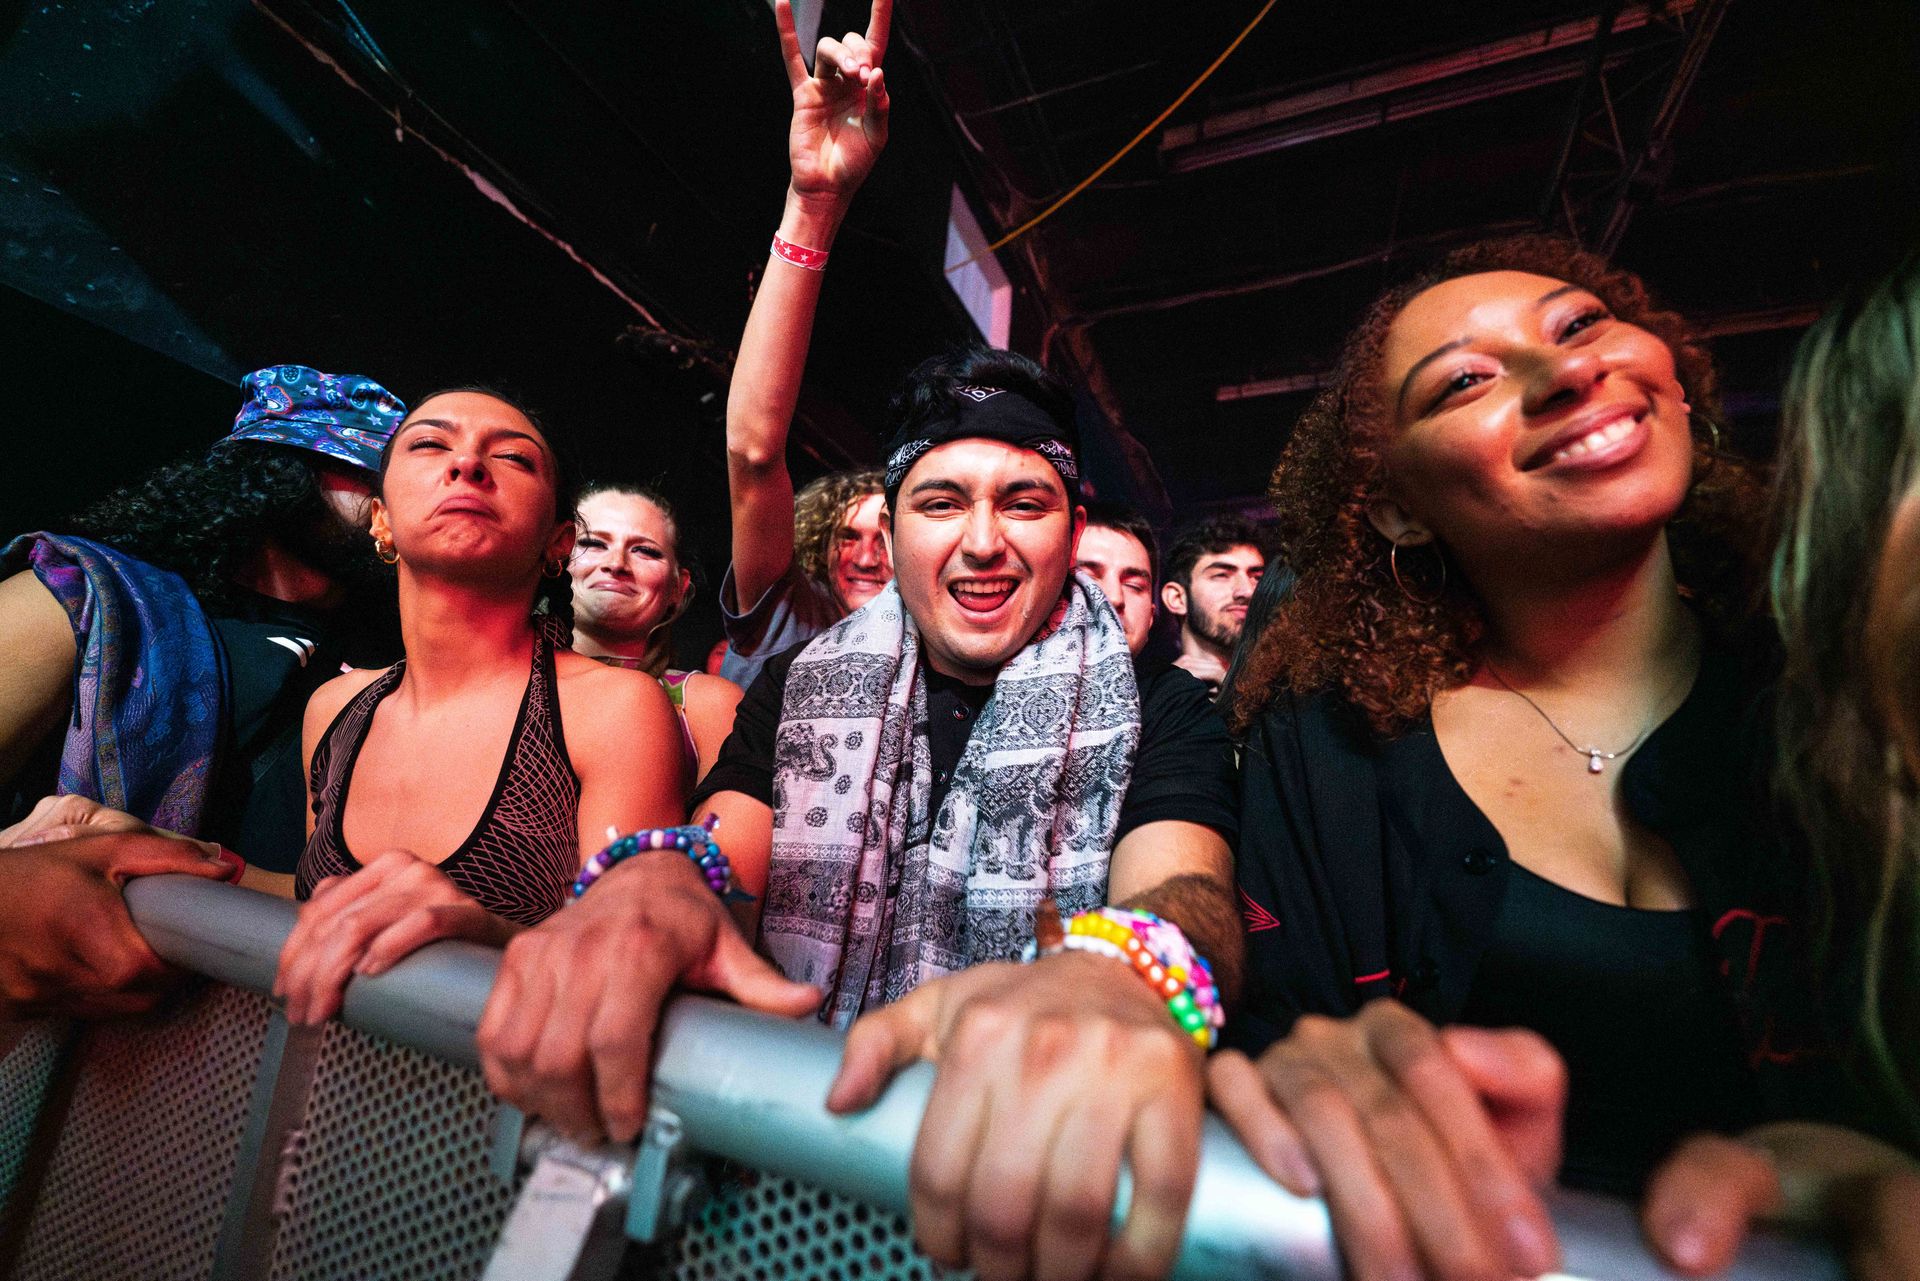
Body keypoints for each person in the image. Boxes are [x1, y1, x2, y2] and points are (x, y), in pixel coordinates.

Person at [1204, 235, 1887, 1281]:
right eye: (1466, 382)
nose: (1570, 371)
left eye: (1583, 326)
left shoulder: (1845, 692)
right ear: (1395, 507)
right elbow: (1270, 1047)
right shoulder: (1332, 745)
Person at [271, 388, 687, 1028]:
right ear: (380, 519)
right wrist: (173, 858)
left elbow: (620, 956)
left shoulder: (610, 709)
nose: (467, 465)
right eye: (431, 444)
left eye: (515, 459)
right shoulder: (334, 707)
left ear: (558, 542)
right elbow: (318, 910)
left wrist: (485, 933)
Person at [0, 364, 405, 873]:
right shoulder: (82, 598)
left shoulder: (393, 667)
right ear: (283, 472)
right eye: (371, 473)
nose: (395, 498)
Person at [713, 0, 893, 692]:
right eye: (849, 535)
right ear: (815, 541)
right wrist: (813, 206)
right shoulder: (794, 618)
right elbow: (755, 454)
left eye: (887, 534)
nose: (869, 555)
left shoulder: (947, 654)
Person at [567, 482, 744, 783]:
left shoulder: (707, 705)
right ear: (556, 554)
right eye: (594, 544)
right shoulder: (500, 676)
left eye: (645, 551)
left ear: (678, 587)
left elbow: (721, 829)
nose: (616, 564)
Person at [1160, 514, 1265, 693]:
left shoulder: (1287, 698)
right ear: (1177, 598)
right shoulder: (1145, 702)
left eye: (1256, 577)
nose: (1247, 591)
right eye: (1221, 575)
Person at [1074, 501, 1159, 656]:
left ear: (1150, 618)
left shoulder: (1177, 681)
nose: (1114, 598)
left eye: (1134, 585)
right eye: (1087, 577)